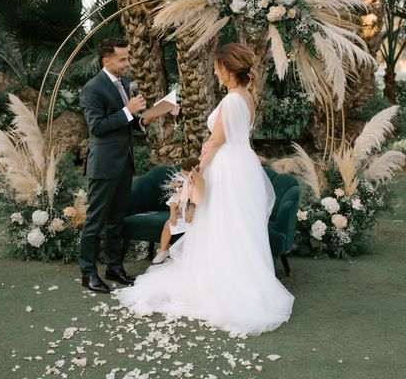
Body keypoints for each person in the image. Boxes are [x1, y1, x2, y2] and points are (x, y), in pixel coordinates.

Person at [115, 43, 294, 335]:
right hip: (242, 165)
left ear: (227, 69)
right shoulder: (246, 97)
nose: (214, 71)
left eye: (217, 67)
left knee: (220, 222)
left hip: (226, 167)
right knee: (236, 225)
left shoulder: (231, 101)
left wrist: (196, 173)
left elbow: (215, 142)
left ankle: (222, 283)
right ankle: (242, 276)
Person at [79, 37, 151, 293]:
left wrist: (141, 121)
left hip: (124, 163)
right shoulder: (93, 88)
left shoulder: (123, 84)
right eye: (122, 59)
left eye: (127, 57)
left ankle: (114, 267)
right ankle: (88, 274)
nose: (127, 63)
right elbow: (97, 127)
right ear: (105, 60)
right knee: (95, 221)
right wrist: (128, 111)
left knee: (116, 220)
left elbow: (126, 123)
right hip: (104, 166)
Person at [152, 157, 200, 265]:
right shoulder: (182, 185)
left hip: (197, 216)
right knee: (168, 224)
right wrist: (173, 214)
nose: (183, 178)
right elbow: (174, 199)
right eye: (181, 175)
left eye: (186, 176)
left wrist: (191, 211)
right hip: (183, 214)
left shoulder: (199, 186)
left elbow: (197, 201)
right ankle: (163, 250)